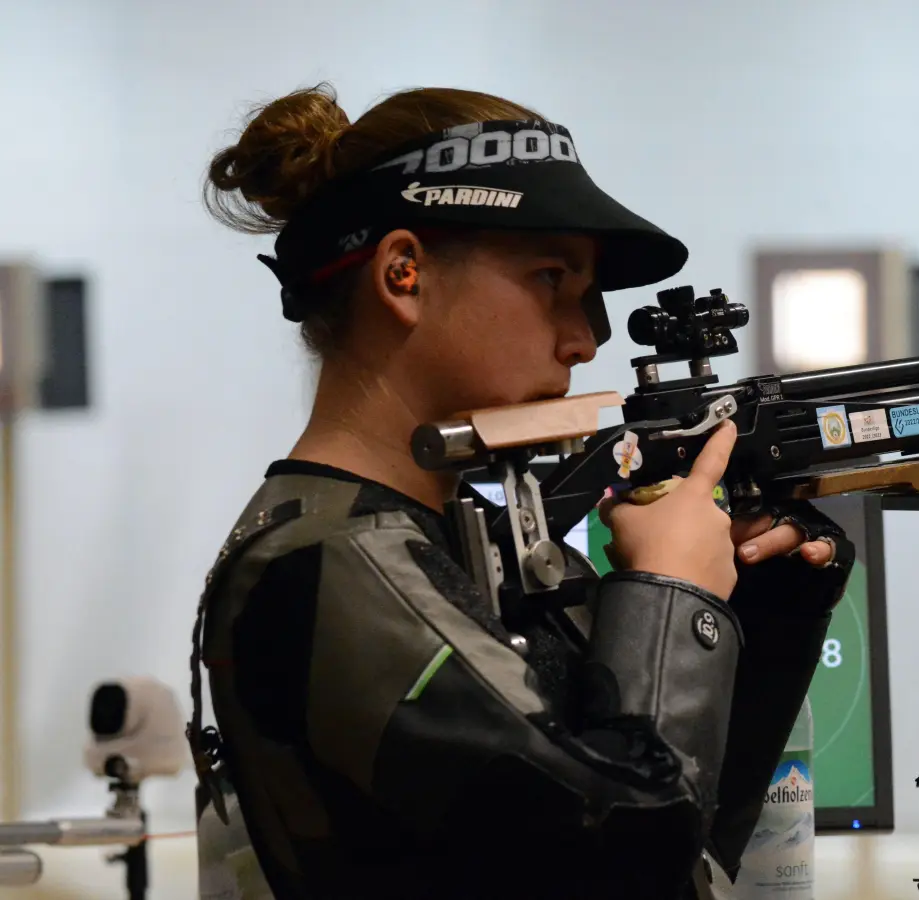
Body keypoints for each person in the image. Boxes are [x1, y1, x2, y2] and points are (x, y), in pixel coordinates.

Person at [188, 83, 854, 900]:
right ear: (404, 274)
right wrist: (670, 597)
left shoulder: (437, 537)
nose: (583, 339)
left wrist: (768, 601)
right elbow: (630, 867)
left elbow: (693, 849)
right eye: (552, 278)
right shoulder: (331, 562)